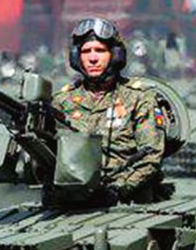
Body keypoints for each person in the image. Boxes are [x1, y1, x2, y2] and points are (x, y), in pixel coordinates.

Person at [52, 17, 166, 203]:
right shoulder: (63, 101)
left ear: (115, 55)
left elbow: (151, 154)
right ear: (76, 57)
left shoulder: (138, 97)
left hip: (127, 203)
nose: (93, 58)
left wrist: (118, 188)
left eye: (100, 50)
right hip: (71, 202)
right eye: (86, 51)